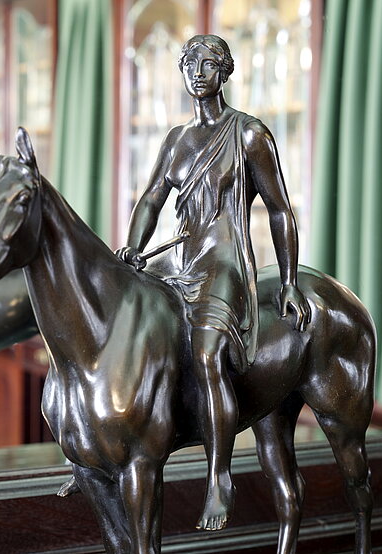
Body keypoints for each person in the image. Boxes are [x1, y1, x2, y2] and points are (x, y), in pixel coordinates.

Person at [116, 35, 311, 531]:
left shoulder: (248, 134)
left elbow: (281, 210)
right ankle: (102, 447)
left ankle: (220, 476)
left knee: (205, 353)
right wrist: (134, 246)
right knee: (125, 324)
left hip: (226, 267)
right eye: (189, 63)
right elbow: (150, 199)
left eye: (209, 63)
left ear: (225, 72)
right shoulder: (177, 140)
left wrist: (288, 279)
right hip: (179, 266)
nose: (197, 72)